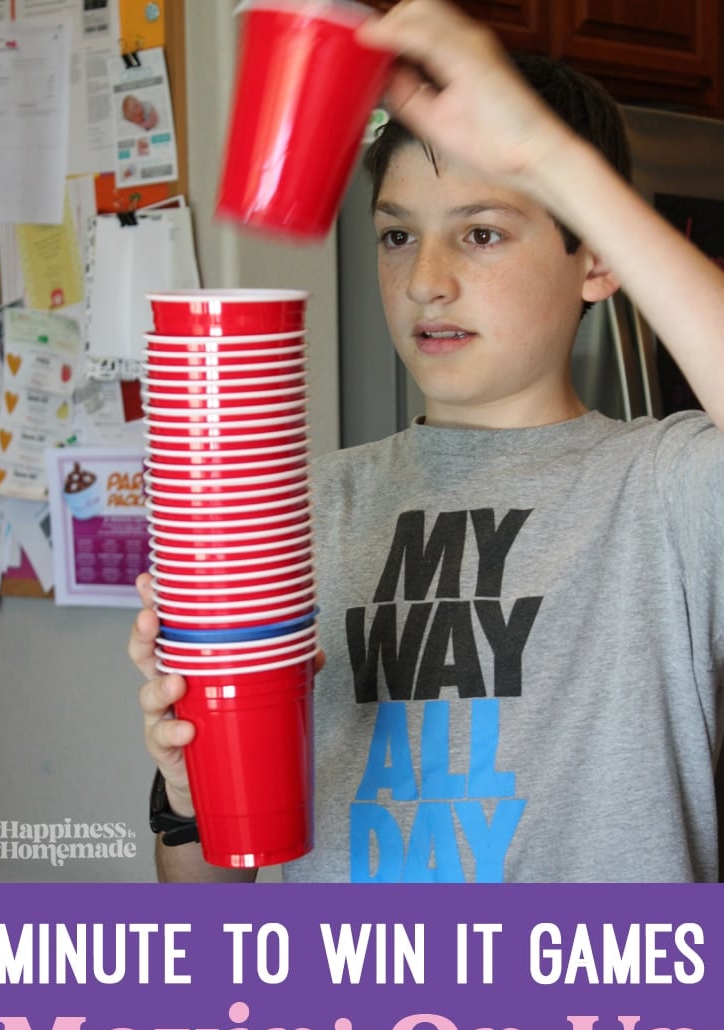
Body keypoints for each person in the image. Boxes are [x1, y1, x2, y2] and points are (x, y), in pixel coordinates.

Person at [129, 0, 724, 883]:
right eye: (398, 236)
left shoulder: (665, 489)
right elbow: (210, 921)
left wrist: (551, 157)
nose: (426, 282)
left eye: (481, 234)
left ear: (598, 261)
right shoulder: (292, 513)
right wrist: (188, 799)